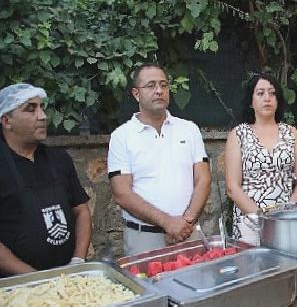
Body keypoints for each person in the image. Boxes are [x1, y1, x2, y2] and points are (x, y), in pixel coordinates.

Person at [108, 64, 211, 256]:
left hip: (188, 234)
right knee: (147, 286)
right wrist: (167, 222)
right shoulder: (121, 136)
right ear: (136, 94)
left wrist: (186, 221)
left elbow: (203, 179)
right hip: (145, 240)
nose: (159, 91)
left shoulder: (189, 129)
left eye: (163, 85)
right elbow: (122, 193)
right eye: (151, 85)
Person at [0, 84, 91, 275]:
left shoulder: (59, 159)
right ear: (7, 121)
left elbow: (81, 211)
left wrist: (78, 260)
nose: (42, 116)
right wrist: (33, 277)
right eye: (30, 109)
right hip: (16, 286)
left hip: (69, 277)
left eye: (42, 107)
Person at [224, 72, 297, 243]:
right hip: (250, 223)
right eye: (260, 93)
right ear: (251, 102)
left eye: (272, 93)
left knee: (287, 268)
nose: (267, 98)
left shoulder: (291, 133)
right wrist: (262, 219)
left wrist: (285, 215)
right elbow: (232, 187)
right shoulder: (238, 135)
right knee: (255, 268)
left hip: (286, 222)